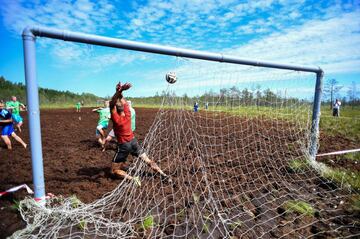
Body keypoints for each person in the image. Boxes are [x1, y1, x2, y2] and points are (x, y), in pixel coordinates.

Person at [109, 82, 170, 186]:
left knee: (113, 171)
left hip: (124, 145)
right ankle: (163, 174)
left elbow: (112, 103)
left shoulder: (116, 118)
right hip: (133, 142)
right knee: (147, 160)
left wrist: (118, 91)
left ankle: (133, 179)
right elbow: (121, 102)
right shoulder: (128, 113)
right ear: (123, 108)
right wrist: (121, 91)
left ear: (115, 110)